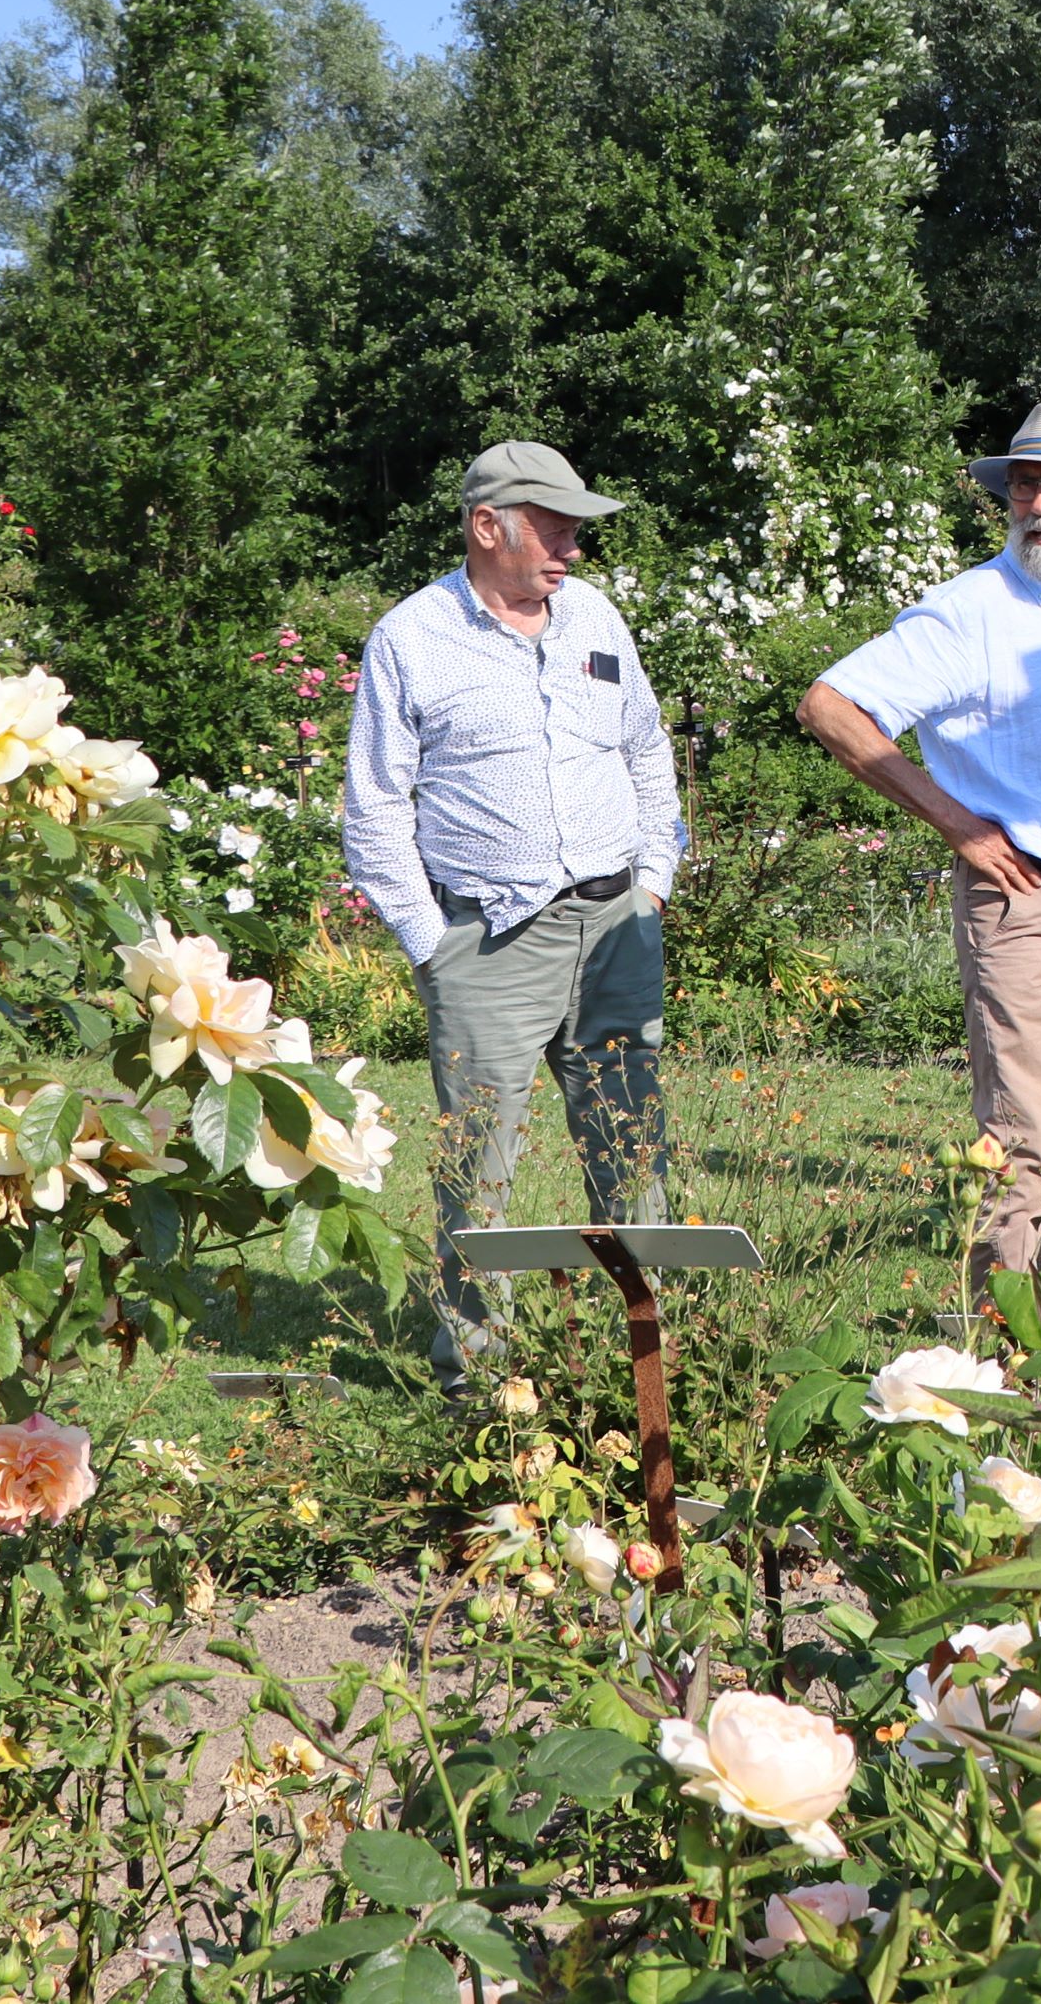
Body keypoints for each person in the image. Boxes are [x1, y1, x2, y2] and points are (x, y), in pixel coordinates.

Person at [799, 404, 1041, 1276]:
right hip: (1012, 897)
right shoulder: (965, 611)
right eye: (1026, 485)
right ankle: (1002, 1347)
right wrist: (958, 821)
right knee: (1023, 1139)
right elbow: (829, 706)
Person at [346, 442, 688, 1391]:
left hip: (617, 922)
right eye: (554, 523)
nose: (574, 544)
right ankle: (480, 1376)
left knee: (633, 1141)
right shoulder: (411, 638)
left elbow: (647, 750)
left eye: (579, 524)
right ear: (487, 526)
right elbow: (374, 810)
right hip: (490, 938)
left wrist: (651, 881)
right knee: (478, 1162)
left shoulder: (595, 615)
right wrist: (436, 946)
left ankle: (652, 1357)